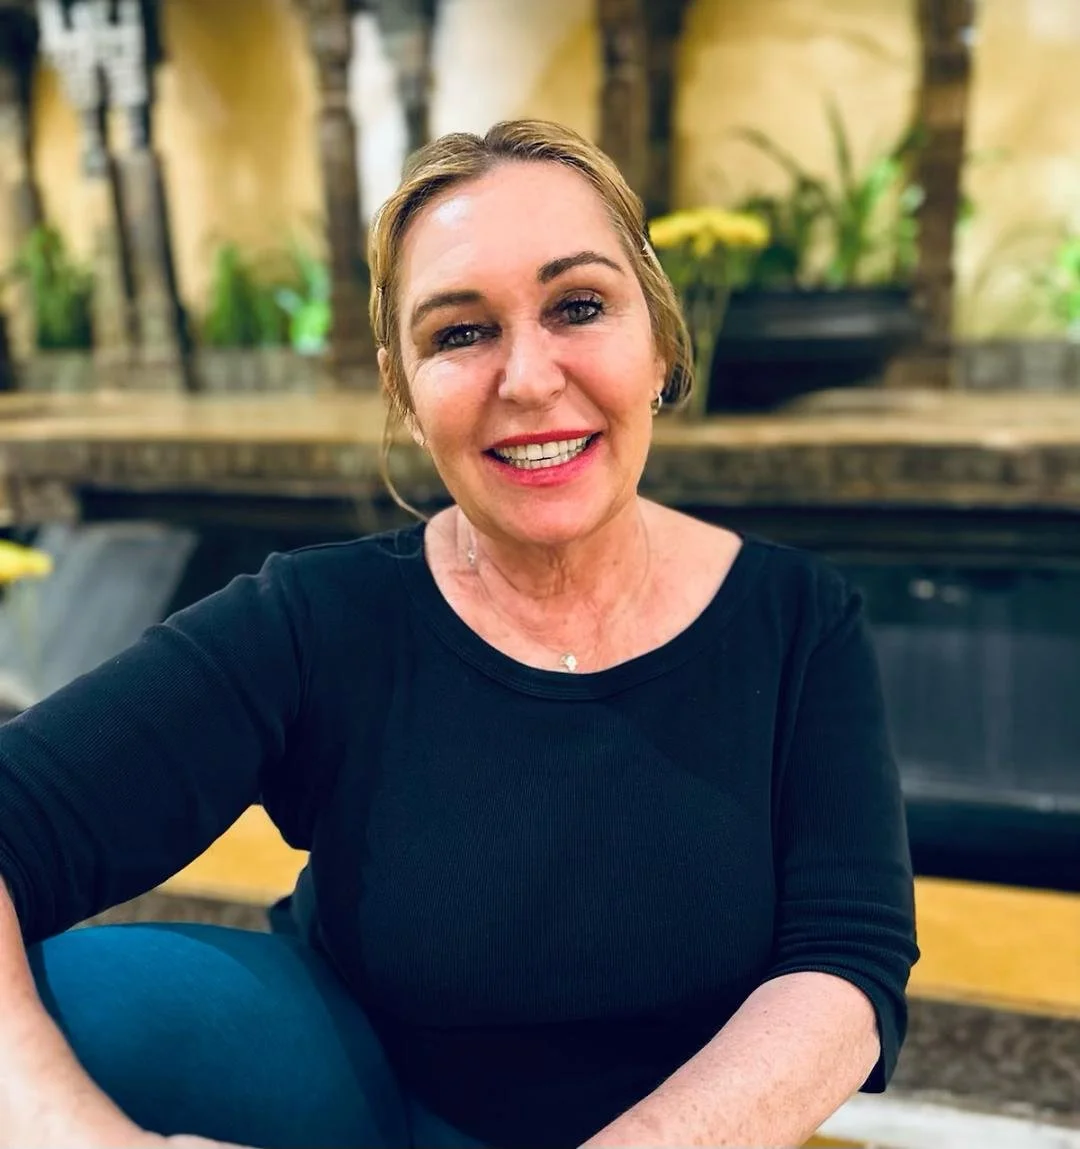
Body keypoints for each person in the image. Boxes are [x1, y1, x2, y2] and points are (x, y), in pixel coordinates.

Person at [0, 120, 918, 1149]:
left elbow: (847, 959)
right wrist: (79, 1135)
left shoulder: (797, 619)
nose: (527, 379)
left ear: (658, 340)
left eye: (578, 306)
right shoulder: (318, 617)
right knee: (90, 995)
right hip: (360, 1108)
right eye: (460, 333)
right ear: (404, 390)